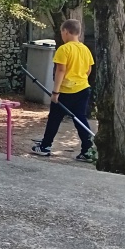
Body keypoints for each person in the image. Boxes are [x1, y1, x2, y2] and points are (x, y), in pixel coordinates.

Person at [31, 19, 95, 162]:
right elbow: (89, 69)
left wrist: (55, 92)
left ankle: (45, 146)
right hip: (83, 88)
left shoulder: (64, 49)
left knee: (54, 118)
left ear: (65, 31)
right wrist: (80, 79)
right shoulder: (85, 49)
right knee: (80, 118)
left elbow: (60, 70)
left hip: (66, 91)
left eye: (62, 32)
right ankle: (87, 149)